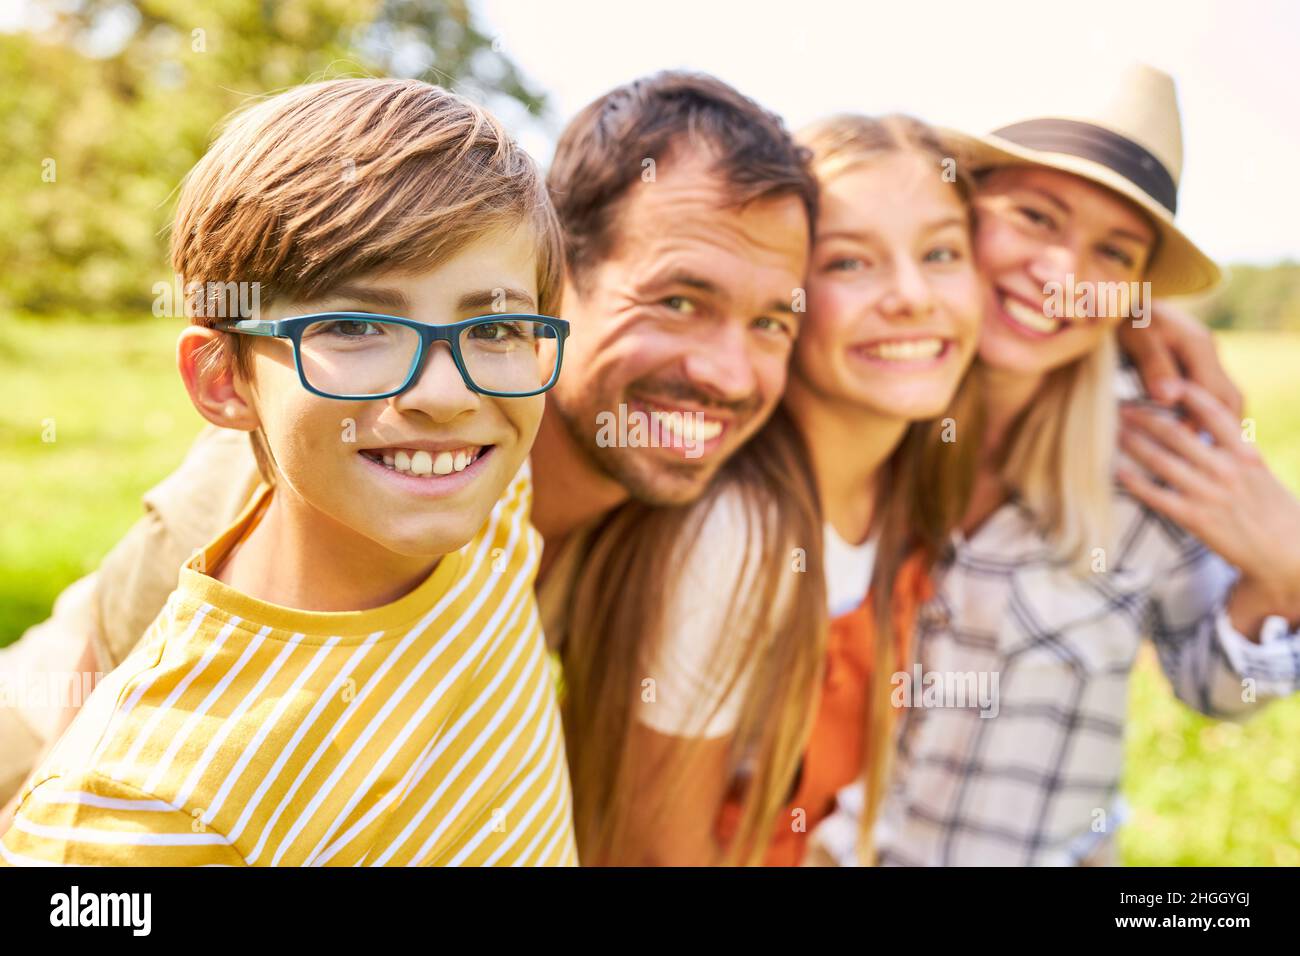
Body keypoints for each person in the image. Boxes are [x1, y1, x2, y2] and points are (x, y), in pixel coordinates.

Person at [0, 72, 820, 819]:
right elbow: (101, 730)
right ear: (560, 280)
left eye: (772, 321)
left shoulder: (659, 521)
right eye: (677, 301)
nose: (725, 372)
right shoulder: (308, 479)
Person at [1, 78, 578, 866]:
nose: (448, 394)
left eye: (496, 325)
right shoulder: (135, 806)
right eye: (354, 325)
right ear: (222, 380)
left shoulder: (494, 507)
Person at [818, 63, 1300, 866]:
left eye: (1113, 253)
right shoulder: (868, 397)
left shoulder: (1152, 451)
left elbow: (1216, 689)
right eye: (1036, 217)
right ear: (962, 210)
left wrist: (1283, 578)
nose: (1066, 278)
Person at [560, 113, 984, 865]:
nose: (914, 296)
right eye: (852, 264)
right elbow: (656, 854)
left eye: (943, 253)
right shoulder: (737, 533)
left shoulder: (915, 481)